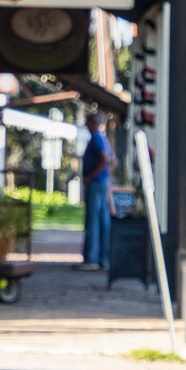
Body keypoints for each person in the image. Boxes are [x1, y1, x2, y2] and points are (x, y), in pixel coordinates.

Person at [80, 111, 115, 270]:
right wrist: (108, 175)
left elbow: (106, 159)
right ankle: (103, 258)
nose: (85, 124)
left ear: (93, 123)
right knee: (103, 220)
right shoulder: (104, 138)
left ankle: (91, 258)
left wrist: (91, 176)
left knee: (93, 220)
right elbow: (114, 161)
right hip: (103, 182)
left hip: (96, 183)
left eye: (87, 121)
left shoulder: (96, 138)